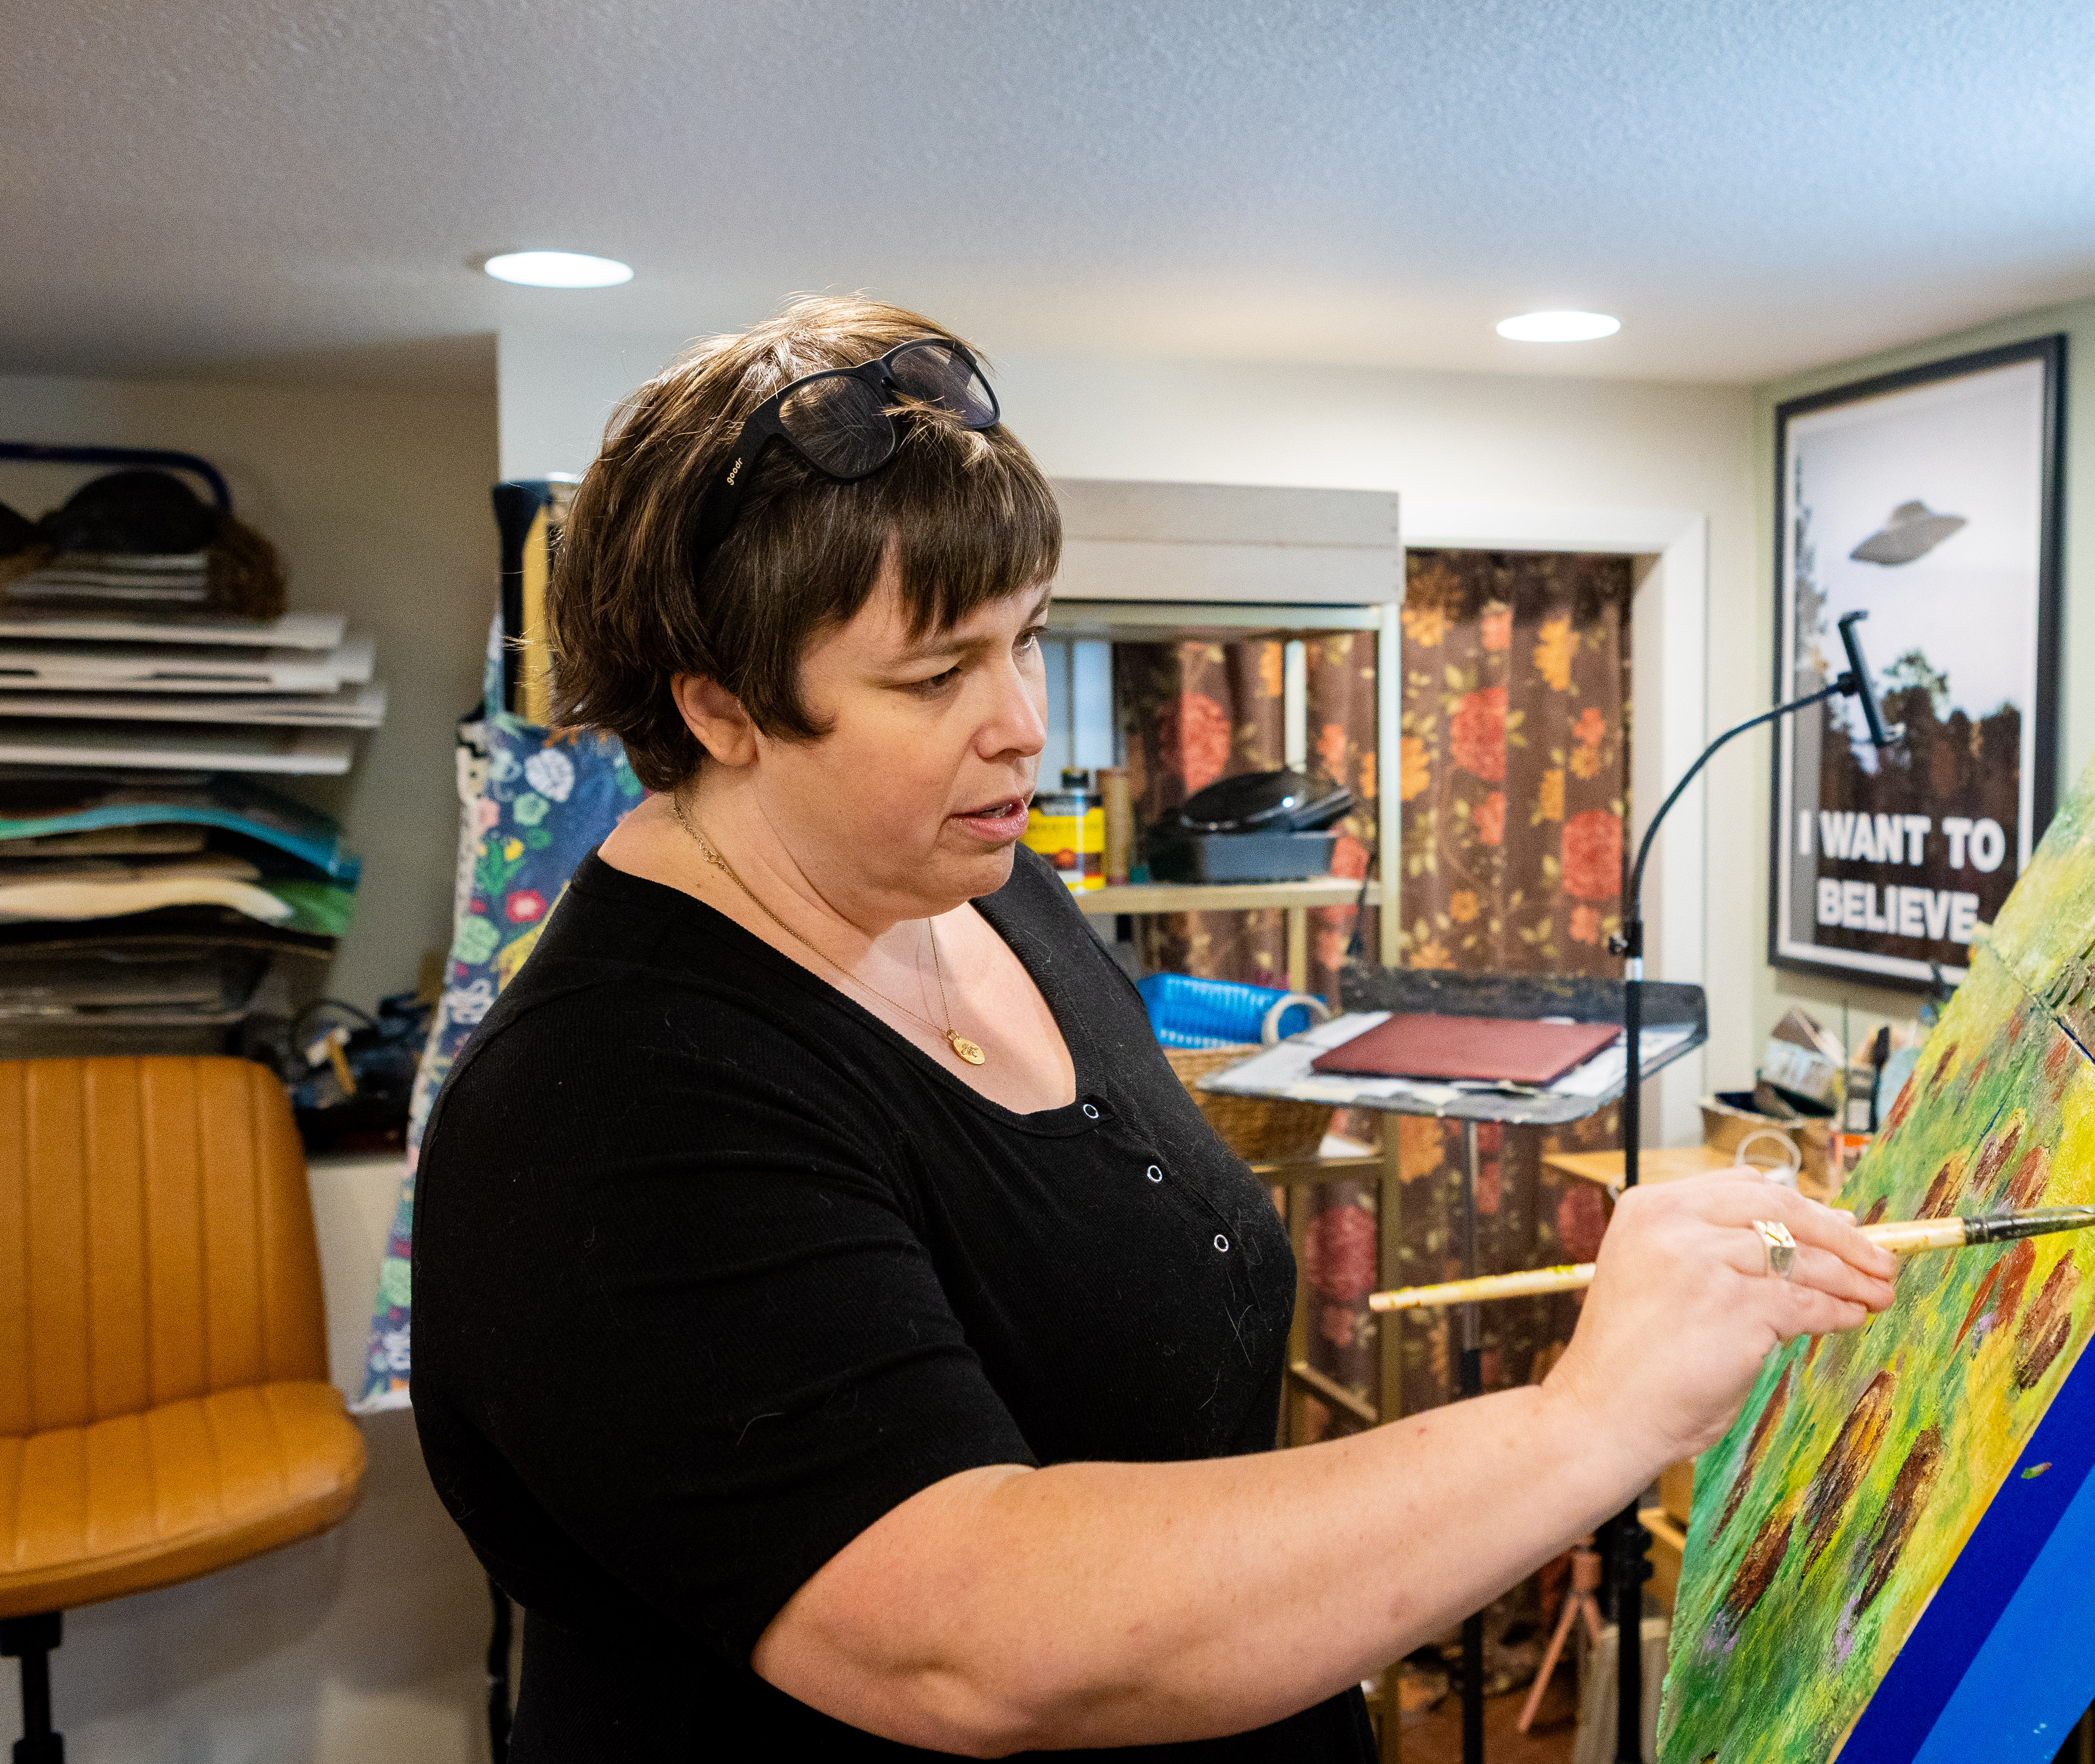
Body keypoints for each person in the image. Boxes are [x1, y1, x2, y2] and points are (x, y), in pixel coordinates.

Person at [410, 295, 1897, 1762]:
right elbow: (975, 1639)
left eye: (1025, 641)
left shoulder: (990, 890)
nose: (1021, 724)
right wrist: (1590, 1421)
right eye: (936, 677)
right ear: (720, 709)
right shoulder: (610, 1101)